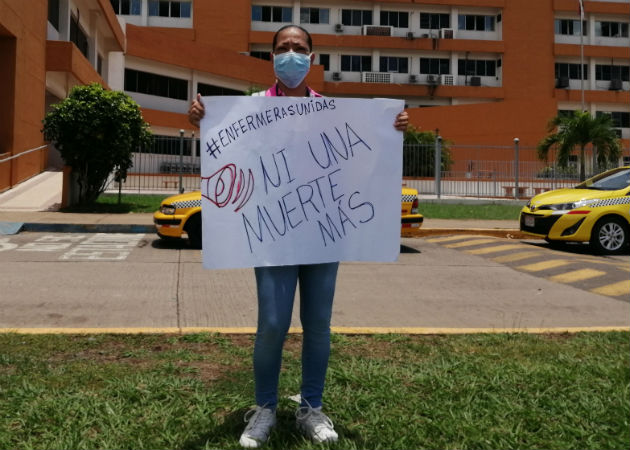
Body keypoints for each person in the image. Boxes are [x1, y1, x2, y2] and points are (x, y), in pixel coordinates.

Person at [189, 24, 408, 448]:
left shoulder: (333, 111)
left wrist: (393, 126)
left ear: (312, 57)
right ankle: (265, 408)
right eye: (284, 48)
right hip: (274, 234)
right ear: (271, 57)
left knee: (318, 323)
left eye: (300, 48)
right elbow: (227, 151)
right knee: (272, 323)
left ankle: (311, 407)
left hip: (323, 233)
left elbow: (363, 155)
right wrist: (200, 117)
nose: (292, 54)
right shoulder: (248, 108)